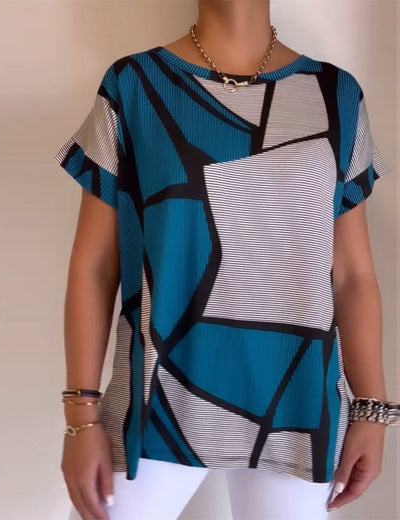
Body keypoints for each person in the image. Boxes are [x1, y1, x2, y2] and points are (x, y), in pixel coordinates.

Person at [54, 1, 395, 519]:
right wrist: (81, 416)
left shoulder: (336, 94)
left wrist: (372, 411)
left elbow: (352, 273)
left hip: (297, 405)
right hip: (157, 398)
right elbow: (95, 266)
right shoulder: (134, 84)